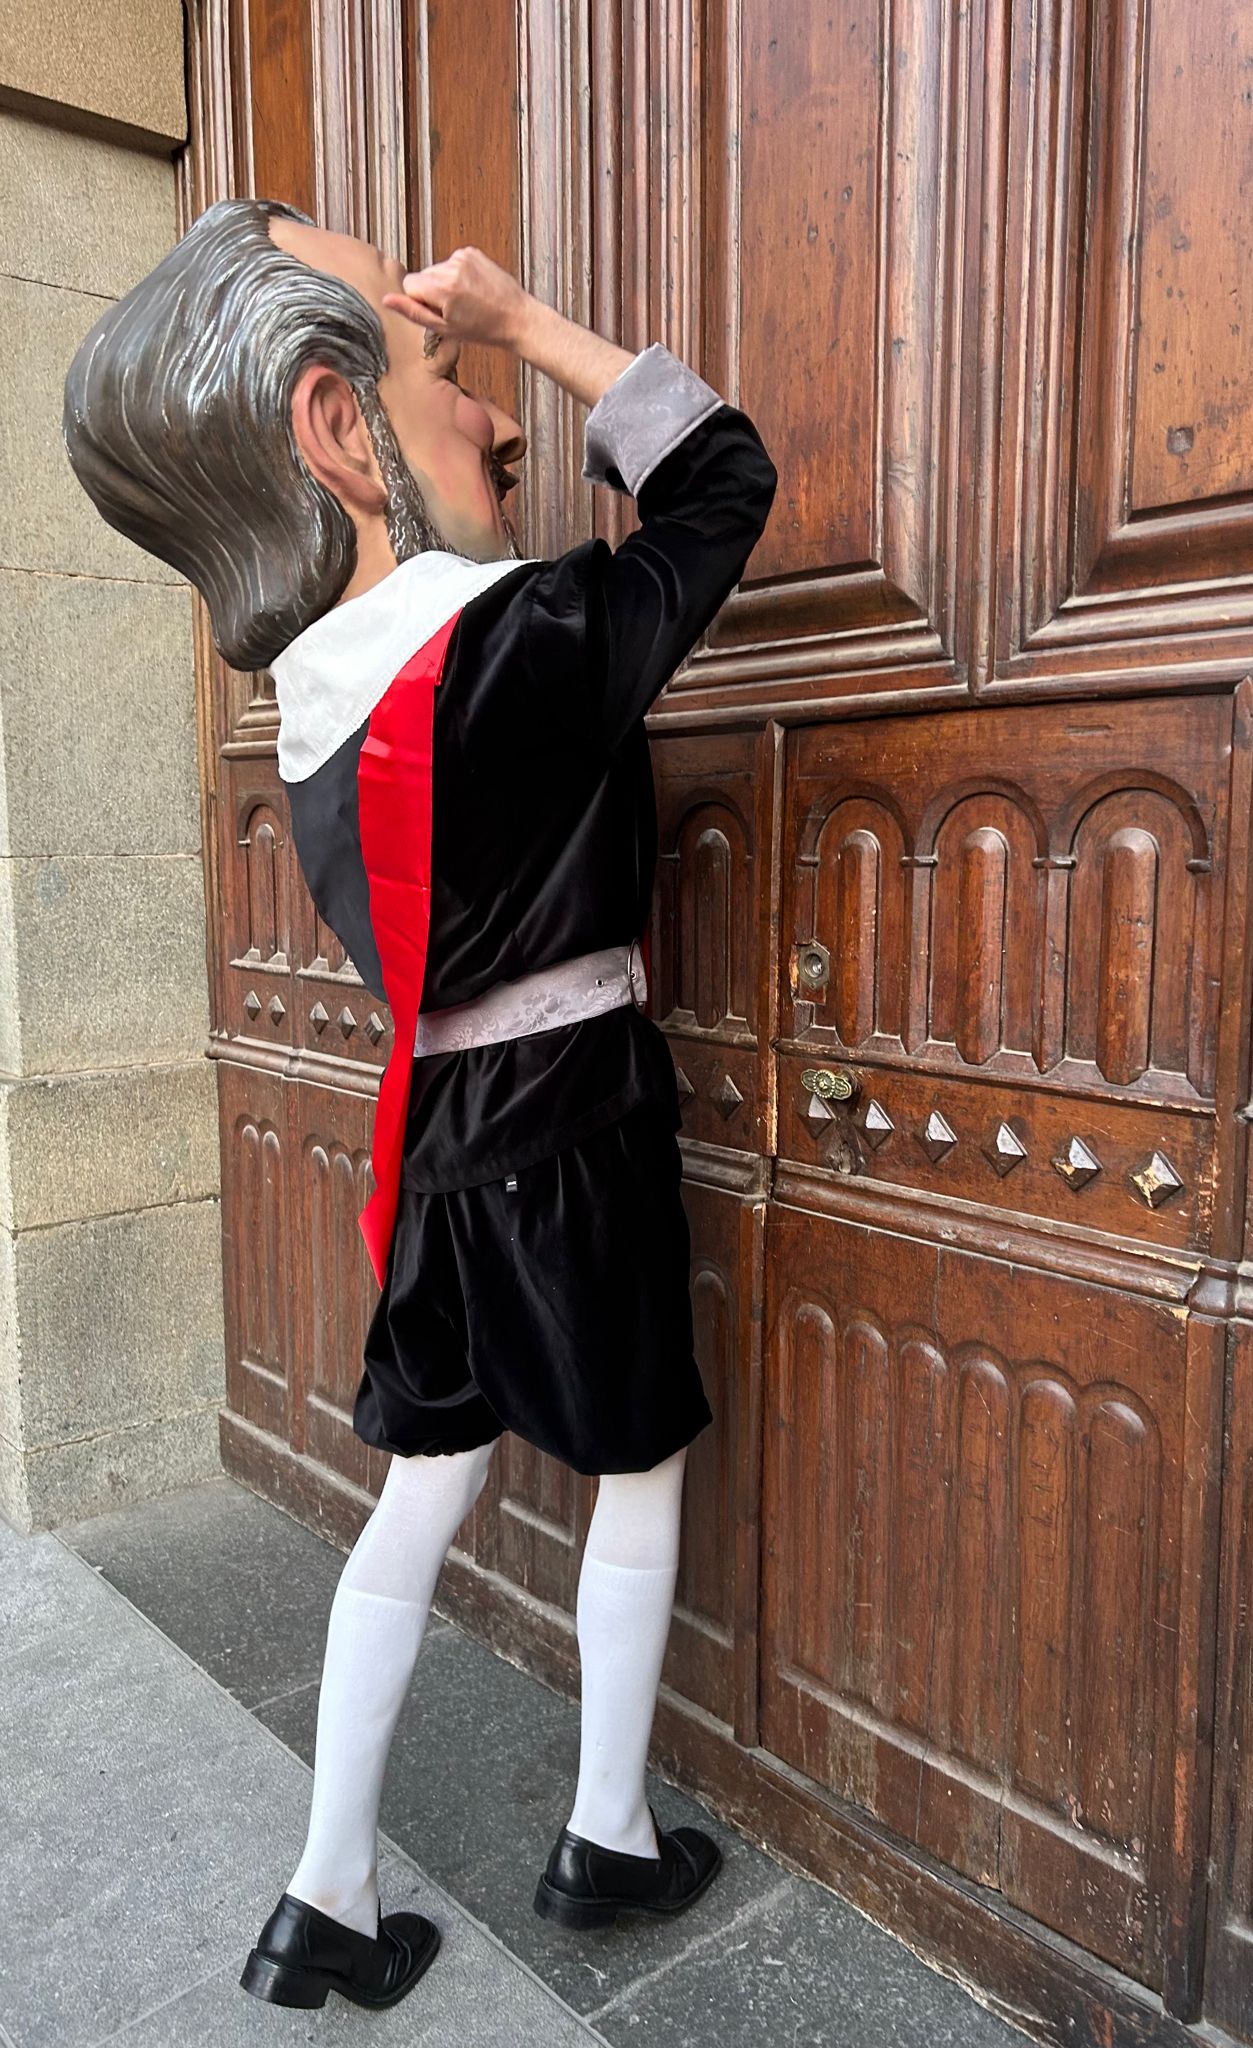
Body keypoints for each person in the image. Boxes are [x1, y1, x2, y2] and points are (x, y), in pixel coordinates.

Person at [62, 199, 777, 2012]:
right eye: (443, 371)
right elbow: (722, 480)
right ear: (334, 431)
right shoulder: (517, 645)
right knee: (636, 1458)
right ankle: (607, 1830)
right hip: (574, 1111)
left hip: (446, 1129)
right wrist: (532, 315)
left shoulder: (310, 716)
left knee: (420, 1491)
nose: (496, 416)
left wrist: (482, 355)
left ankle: (325, 1889)